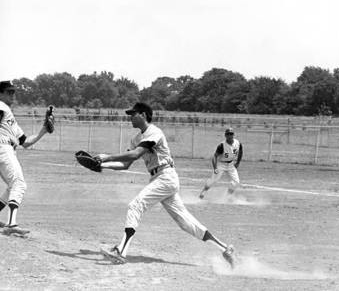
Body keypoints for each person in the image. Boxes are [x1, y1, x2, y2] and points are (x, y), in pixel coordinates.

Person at [96, 102, 235, 267]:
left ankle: (121, 251)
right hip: (159, 179)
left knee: (135, 206)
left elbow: (135, 155)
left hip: (166, 176)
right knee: (186, 223)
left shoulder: (154, 132)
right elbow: (125, 164)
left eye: (133, 114)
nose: (131, 117)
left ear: (143, 115)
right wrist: (101, 166)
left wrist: (107, 157)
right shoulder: (135, 139)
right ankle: (225, 248)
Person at [0, 81, 51, 235]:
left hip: (2, 151)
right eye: (8, 92)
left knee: (12, 186)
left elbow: (26, 142)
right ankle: (11, 225)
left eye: (13, 92)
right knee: (19, 184)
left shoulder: (11, 119)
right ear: (0, 94)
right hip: (3, 148)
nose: (12, 94)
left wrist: (44, 130)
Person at [199, 127, 243, 199]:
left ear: (233, 135)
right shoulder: (222, 145)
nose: (230, 135)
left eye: (231, 134)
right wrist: (215, 168)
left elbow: (241, 152)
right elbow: (215, 156)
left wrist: (238, 162)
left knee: (236, 182)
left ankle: (227, 196)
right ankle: (203, 191)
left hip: (231, 164)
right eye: (228, 134)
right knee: (213, 180)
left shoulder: (238, 143)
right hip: (221, 164)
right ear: (225, 135)